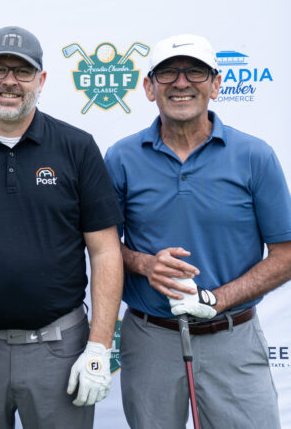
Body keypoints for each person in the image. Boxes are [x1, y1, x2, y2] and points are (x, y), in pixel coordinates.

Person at [0, 26, 124, 428]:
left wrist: (99, 346)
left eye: (23, 71)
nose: (9, 81)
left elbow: (105, 251)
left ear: (42, 81)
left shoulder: (77, 147)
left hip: (58, 349)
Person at [105, 33, 291, 428]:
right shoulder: (121, 157)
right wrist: (144, 264)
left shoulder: (255, 156)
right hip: (151, 337)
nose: (182, 82)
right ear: (149, 87)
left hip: (232, 337)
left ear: (217, 84)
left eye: (195, 72)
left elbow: (286, 254)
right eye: (168, 73)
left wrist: (216, 298)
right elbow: (102, 246)